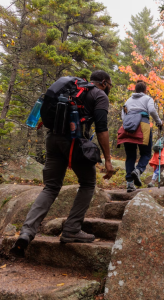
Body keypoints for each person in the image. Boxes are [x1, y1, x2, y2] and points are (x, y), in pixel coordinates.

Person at [10, 70, 114, 256]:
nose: (109, 90)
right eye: (110, 86)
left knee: (50, 187)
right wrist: (107, 159)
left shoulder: (72, 88)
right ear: (104, 83)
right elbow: (102, 128)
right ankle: (72, 229)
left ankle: (26, 232)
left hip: (53, 139)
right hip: (75, 143)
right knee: (88, 183)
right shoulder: (99, 95)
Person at [117, 80, 163, 192]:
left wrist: (129, 122)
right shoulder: (147, 98)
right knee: (146, 153)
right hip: (143, 125)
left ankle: (129, 183)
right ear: (145, 90)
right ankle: (138, 170)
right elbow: (151, 110)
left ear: (135, 89)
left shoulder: (128, 100)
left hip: (128, 127)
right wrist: (159, 122)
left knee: (130, 156)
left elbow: (123, 114)